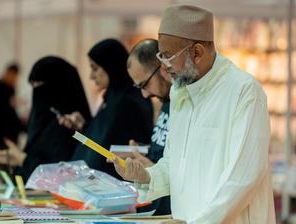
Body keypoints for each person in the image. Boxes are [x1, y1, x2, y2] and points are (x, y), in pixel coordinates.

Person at [113, 5, 276, 223]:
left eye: (168, 56)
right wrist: (145, 176)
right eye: (161, 55)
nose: (164, 66)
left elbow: (242, 179)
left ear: (197, 52)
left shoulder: (243, 91)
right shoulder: (180, 92)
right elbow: (175, 166)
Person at [58, 39, 153, 177]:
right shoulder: (111, 99)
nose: (91, 76)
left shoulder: (128, 102)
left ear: (110, 66)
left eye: (95, 68)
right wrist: (85, 127)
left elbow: (115, 148)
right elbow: (105, 141)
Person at [0, 56, 91, 181]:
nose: (37, 93)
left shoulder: (71, 125)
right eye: (34, 85)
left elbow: (62, 174)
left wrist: (22, 159)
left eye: (41, 85)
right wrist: (16, 159)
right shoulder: (42, 120)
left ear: (60, 86)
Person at [124, 39, 172, 215]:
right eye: (139, 87)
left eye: (144, 84)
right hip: (153, 208)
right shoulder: (167, 102)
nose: (145, 94)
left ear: (162, 69)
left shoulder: (183, 106)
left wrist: (151, 169)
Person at [0, 63, 24, 149]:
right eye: (13, 76)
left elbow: (12, 112)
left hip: (10, 137)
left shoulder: (10, 89)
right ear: (7, 73)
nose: (14, 79)